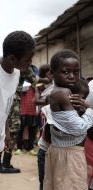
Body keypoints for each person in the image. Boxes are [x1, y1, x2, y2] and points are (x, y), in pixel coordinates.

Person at [0, 31, 36, 189]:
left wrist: (7, 132)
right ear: (12, 58)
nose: (30, 63)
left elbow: (6, 105)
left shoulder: (16, 73)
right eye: (28, 59)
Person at [43, 50, 93, 190]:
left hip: (62, 152)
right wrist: (89, 109)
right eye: (65, 72)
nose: (72, 76)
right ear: (52, 74)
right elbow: (79, 128)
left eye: (76, 72)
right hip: (69, 155)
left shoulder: (63, 90)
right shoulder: (62, 93)